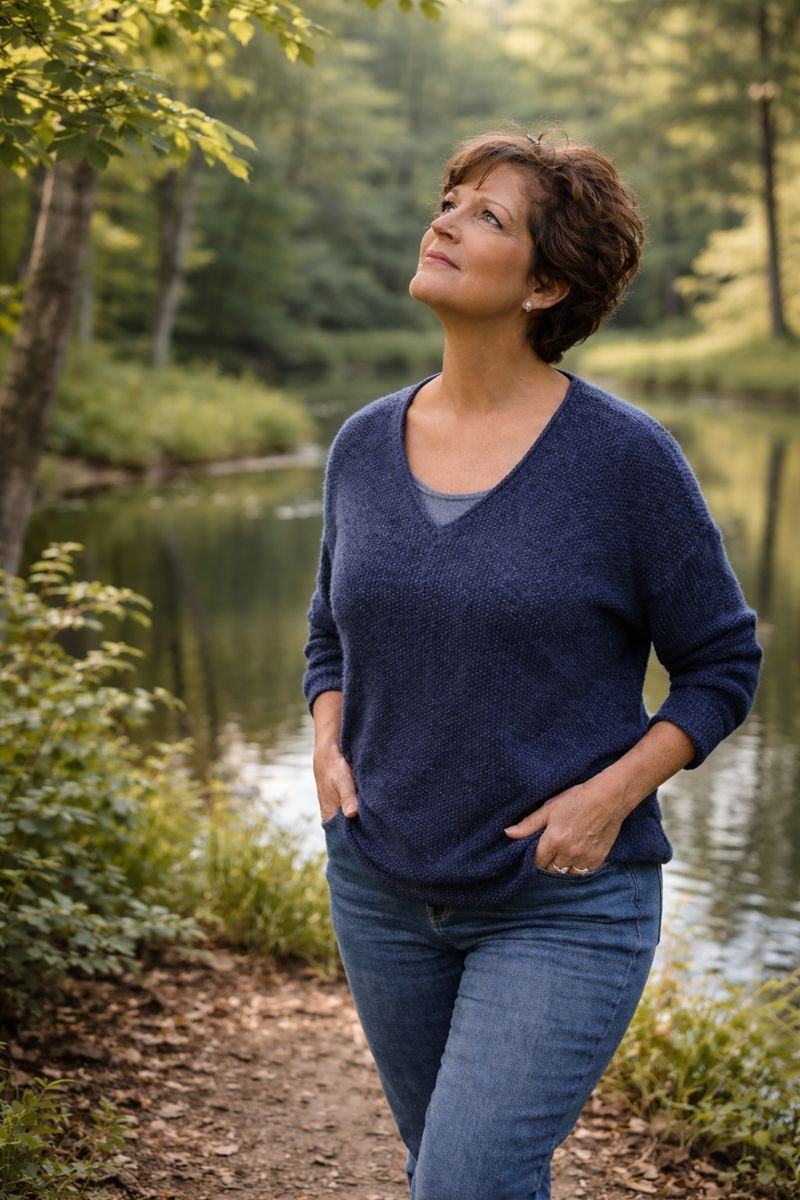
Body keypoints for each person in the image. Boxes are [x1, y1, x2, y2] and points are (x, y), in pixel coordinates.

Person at [302, 128, 762, 1200]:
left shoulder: (624, 461)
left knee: (465, 1181)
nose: (446, 220)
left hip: (560, 901)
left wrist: (607, 798)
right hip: (377, 885)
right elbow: (328, 629)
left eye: (486, 216)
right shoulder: (362, 446)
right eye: (450, 200)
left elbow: (719, 664)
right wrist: (327, 741)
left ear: (545, 283)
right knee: (454, 1175)